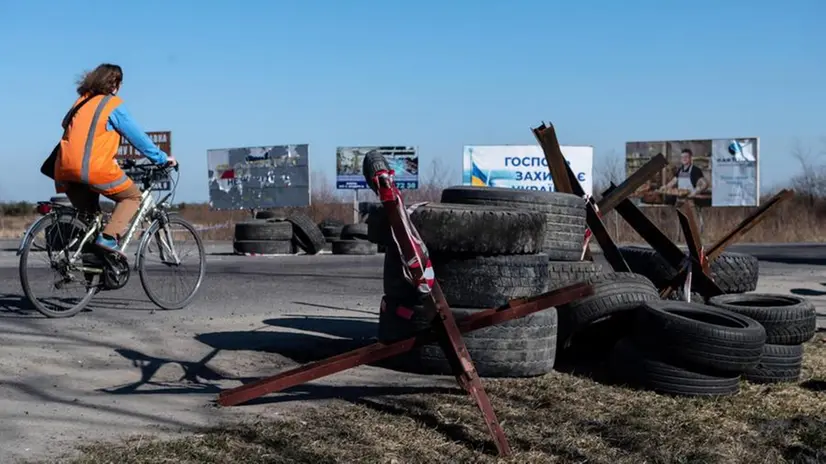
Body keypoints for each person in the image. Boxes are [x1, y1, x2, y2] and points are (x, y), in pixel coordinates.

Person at [54, 63, 177, 256]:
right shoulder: (111, 104)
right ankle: (109, 238)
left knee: (92, 221)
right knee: (132, 197)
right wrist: (161, 158)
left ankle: (92, 268)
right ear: (114, 84)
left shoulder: (81, 102)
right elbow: (137, 137)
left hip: (63, 172)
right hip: (91, 170)